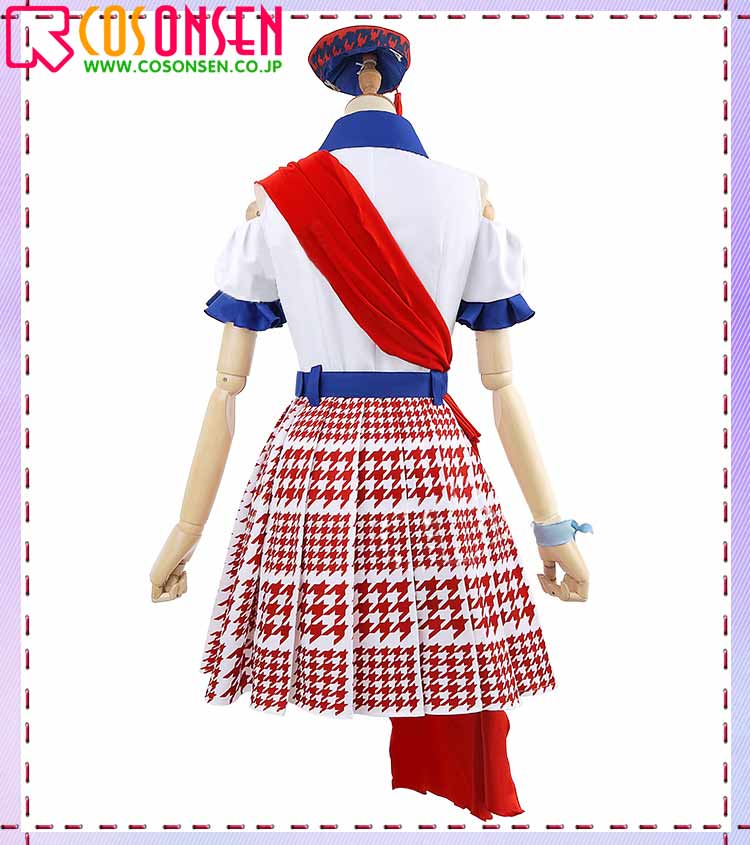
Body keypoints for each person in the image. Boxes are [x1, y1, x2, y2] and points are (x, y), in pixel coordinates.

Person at [151, 25, 591, 819]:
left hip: (312, 465)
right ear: (389, 86)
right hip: (432, 465)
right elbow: (502, 384)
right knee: (441, 650)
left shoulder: (275, 199)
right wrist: (552, 528)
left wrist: (185, 531)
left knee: (333, 651)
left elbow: (225, 387)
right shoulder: (466, 194)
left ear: (347, 86)